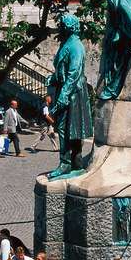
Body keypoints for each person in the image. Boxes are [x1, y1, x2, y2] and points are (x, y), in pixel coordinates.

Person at [47, 14, 93, 179]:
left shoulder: (76, 46)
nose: (59, 28)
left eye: (62, 26)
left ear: (68, 28)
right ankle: (76, 162)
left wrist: (63, 96)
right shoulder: (67, 43)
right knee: (70, 128)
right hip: (67, 89)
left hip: (73, 93)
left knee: (67, 128)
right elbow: (64, 69)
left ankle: (66, 163)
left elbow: (74, 73)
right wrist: (53, 78)